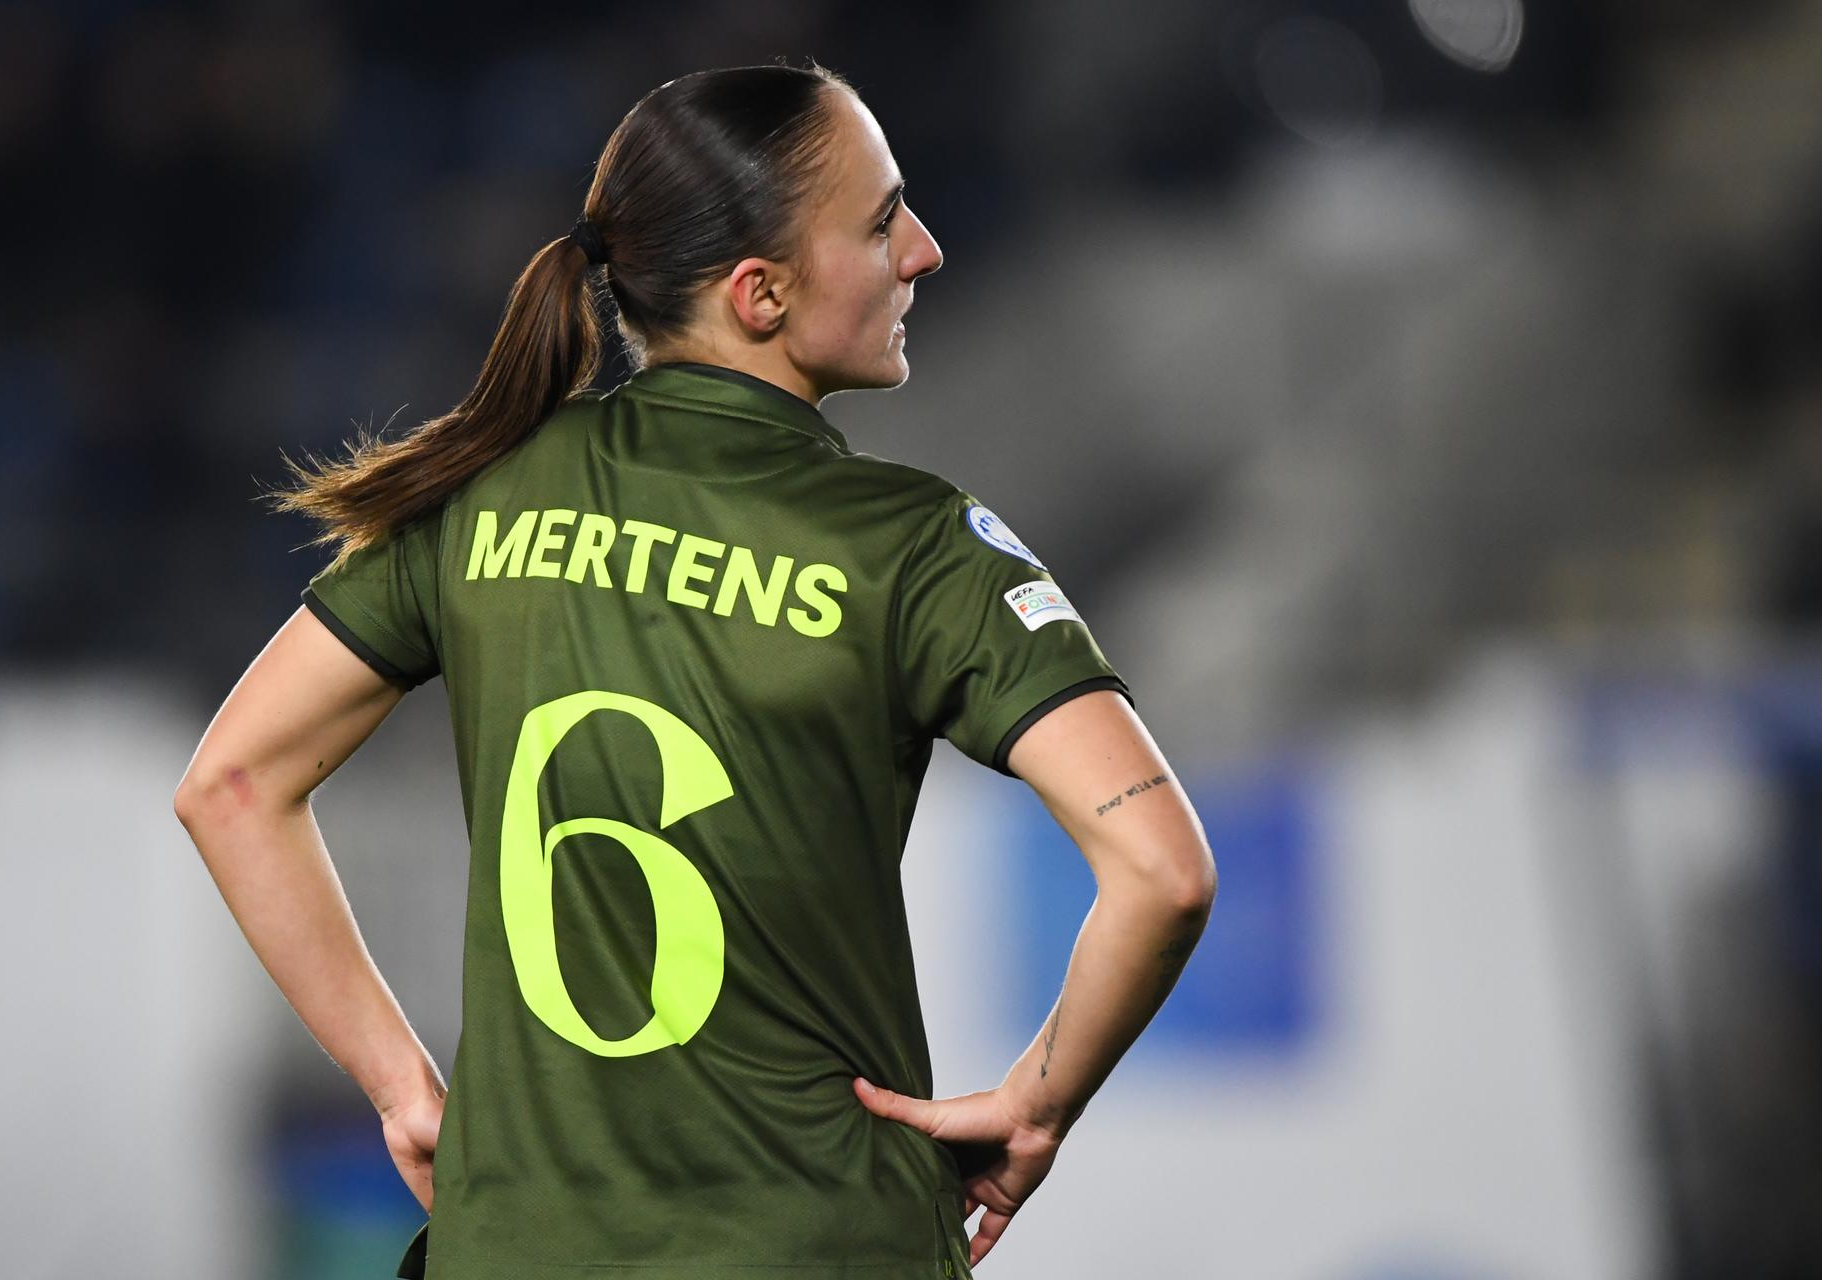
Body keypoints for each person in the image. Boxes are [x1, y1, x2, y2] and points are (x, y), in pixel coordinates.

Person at [173, 62, 1216, 1279]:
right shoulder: (916, 545)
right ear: (759, 292)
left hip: (515, 1245)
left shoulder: (487, 491)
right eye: (881, 222)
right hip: (820, 1243)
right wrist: (1036, 1102)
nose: (923, 251)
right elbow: (1163, 870)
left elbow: (231, 783)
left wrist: (400, 1082)